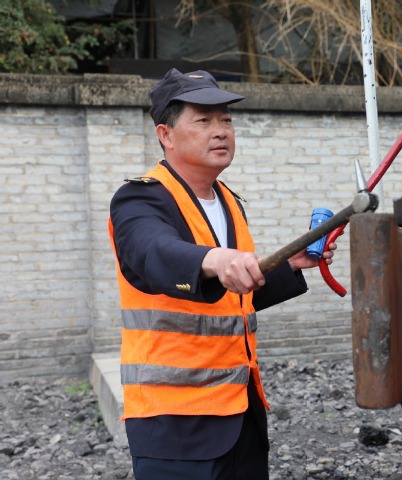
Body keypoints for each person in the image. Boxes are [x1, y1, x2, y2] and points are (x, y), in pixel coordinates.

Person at [108, 68, 336, 480]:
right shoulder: (139, 197)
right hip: (176, 422)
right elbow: (153, 252)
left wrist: (289, 265)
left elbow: (231, 297)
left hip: (242, 412)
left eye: (226, 120)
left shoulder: (230, 201)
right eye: (204, 120)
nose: (221, 131)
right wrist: (214, 260)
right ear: (166, 134)